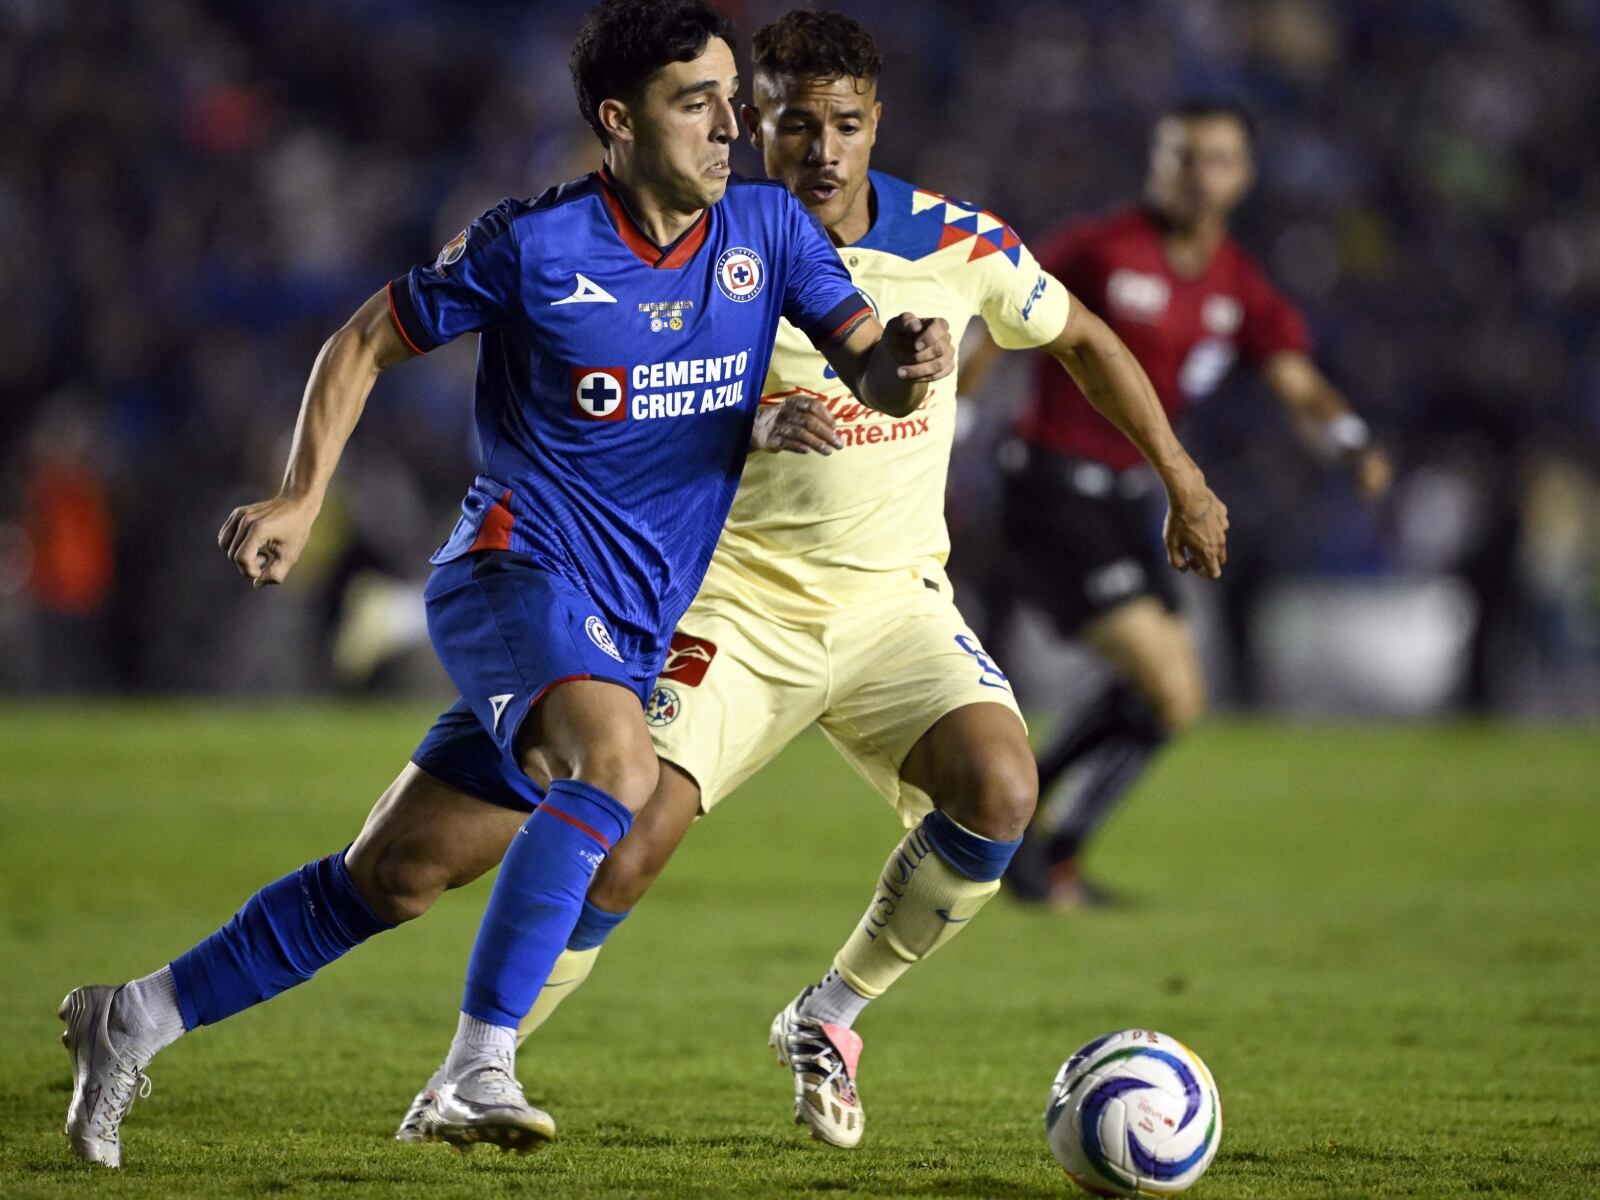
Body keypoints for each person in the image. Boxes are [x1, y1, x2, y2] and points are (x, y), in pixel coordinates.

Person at [58, 0, 956, 1167]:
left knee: (396, 876)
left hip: (627, 619)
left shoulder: (770, 232)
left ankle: (132, 1017)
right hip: (514, 570)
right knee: (618, 770)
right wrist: (301, 495)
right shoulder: (533, 244)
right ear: (619, 120)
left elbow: (871, 372)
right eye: (697, 103)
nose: (730, 126)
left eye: (732, 100)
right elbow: (363, 341)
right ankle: (477, 1067)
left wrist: (909, 362)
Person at [394, 11, 1228, 1152]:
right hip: (730, 602)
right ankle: (471, 1072)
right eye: (794, 125)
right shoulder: (705, 242)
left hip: (893, 606)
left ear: (877, 123)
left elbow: (1081, 338)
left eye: (845, 125)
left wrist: (1181, 476)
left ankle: (828, 1015)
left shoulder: (959, 243)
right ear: (753, 123)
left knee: (1001, 788)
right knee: (623, 846)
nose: (821, 151)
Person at [966, 100, 1392, 908]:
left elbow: (1298, 381)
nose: (1200, 176)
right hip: (1051, 486)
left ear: (1245, 175)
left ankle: (1037, 842)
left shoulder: (1237, 284)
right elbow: (996, 318)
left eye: (1219, 159)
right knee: (1164, 682)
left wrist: (1349, 439)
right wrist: (952, 414)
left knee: (1177, 699)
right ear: (1155, 165)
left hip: (1135, 498)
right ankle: (1027, 836)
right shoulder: (1100, 248)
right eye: (1183, 157)